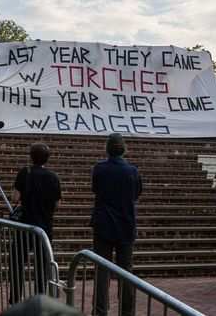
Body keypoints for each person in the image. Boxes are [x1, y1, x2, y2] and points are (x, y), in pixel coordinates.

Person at [91, 133, 142, 316]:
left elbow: (95, 189)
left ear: (107, 149)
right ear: (124, 149)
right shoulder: (133, 171)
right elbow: (136, 194)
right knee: (126, 271)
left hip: (103, 223)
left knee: (102, 271)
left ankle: (100, 311)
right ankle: (127, 311)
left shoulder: (99, 169)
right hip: (126, 224)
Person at [9, 143, 62, 305]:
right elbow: (57, 204)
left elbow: (15, 198)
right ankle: (40, 299)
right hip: (44, 228)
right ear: (47, 158)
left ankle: (15, 297)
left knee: (17, 263)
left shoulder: (25, 173)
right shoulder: (53, 177)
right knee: (41, 266)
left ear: (31, 156)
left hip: (24, 226)